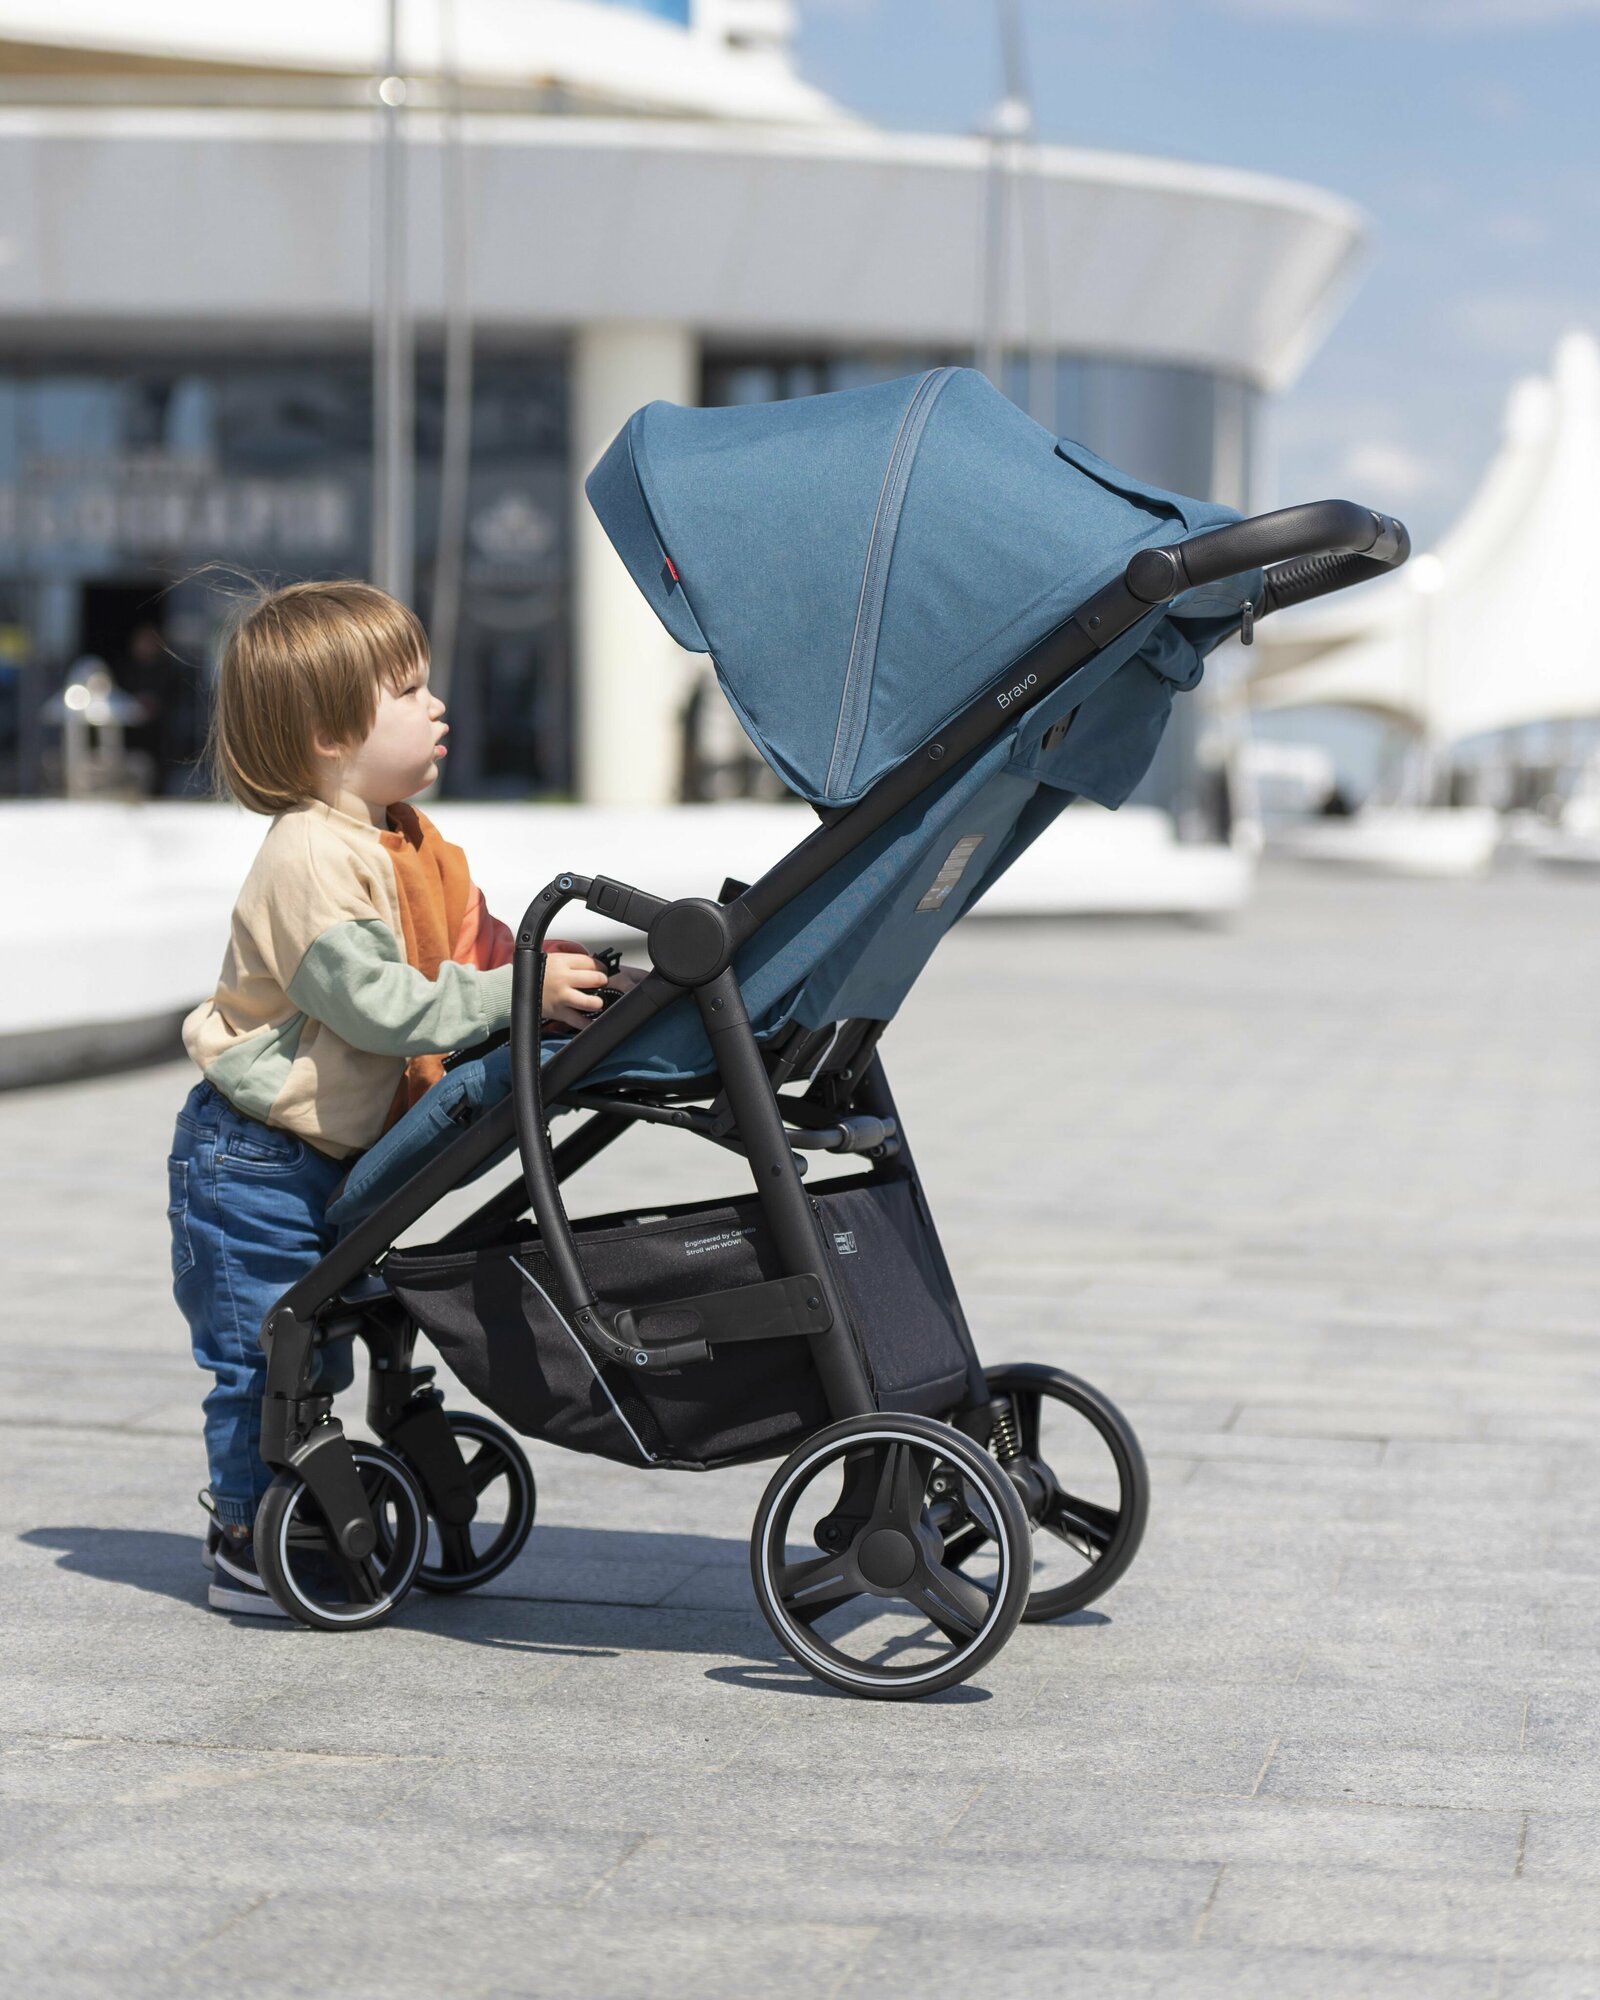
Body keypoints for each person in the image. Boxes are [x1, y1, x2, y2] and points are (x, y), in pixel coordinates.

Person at [169, 580, 639, 1615]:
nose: (438, 706)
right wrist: (516, 995)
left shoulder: (400, 841)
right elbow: (379, 1005)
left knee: (327, 1334)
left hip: (316, 1150)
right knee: (269, 1354)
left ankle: (321, 1496)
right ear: (331, 732)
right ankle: (246, 1537)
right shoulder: (307, 854)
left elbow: (478, 948)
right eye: (410, 690)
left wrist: (565, 973)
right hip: (252, 1159)